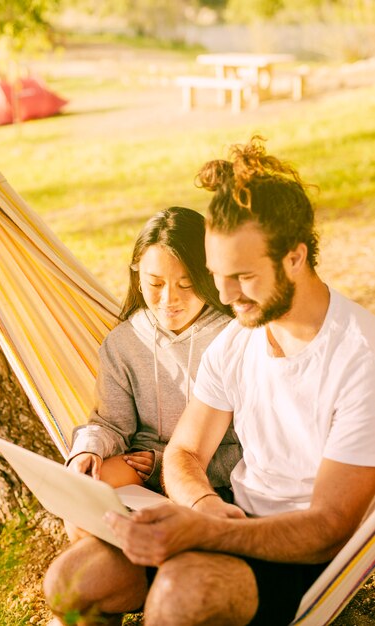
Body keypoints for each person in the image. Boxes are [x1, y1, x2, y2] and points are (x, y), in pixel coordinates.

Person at [96, 136, 375, 626]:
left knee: (179, 600)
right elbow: (184, 453)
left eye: (242, 277)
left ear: (295, 256)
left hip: (303, 554)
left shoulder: (361, 358)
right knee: (78, 581)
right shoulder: (237, 341)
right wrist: (204, 505)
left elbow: (330, 528)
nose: (224, 295)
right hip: (229, 518)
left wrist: (203, 533)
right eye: (215, 275)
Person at [44, 206, 240, 624]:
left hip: (210, 482)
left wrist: (168, 468)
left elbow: (250, 447)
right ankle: (120, 571)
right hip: (143, 476)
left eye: (187, 284)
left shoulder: (234, 339)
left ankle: (145, 575)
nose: (169, 300)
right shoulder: (123, 342)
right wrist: (86, 453)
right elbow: (112, 424)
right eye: (154, 284)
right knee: (86, 485)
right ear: (137, 274)